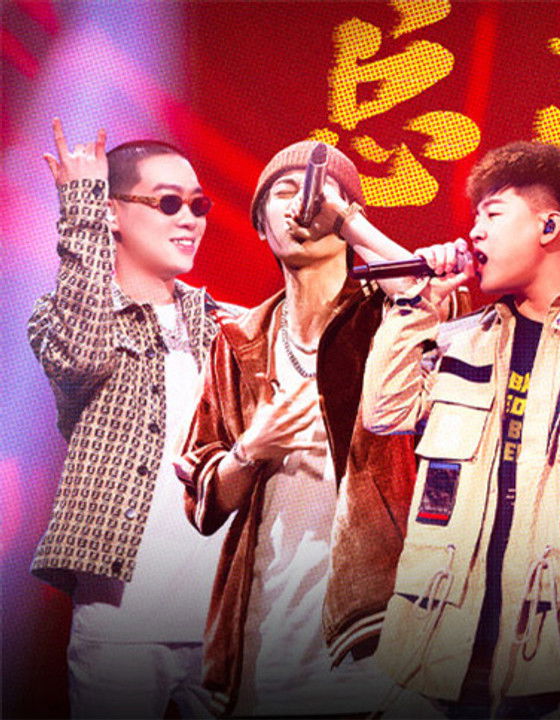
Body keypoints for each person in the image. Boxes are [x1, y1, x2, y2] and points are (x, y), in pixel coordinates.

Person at [361, 141, 560, 718]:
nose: (474, 233)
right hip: (440, 645)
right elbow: (384, 412)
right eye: (475, 218)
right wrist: (418, 302)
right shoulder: (458, 339)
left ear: (549, 226)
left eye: (492, 214)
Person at [177, 140, 433, 716]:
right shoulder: (238, 339)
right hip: (266, 619)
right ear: (260, 226)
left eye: (322, 195)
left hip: (375, 617)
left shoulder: (391, 315)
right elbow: (202, 500)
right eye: (284, 193)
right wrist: (250, 450)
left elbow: (435, 298)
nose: (303, 206)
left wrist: (350, 221)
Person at [27, 118, 234, 718]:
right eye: (168, 202)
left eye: (198, 205)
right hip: (122, 623)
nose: (189, 219)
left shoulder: (224, 324)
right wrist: (81, 209)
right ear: (112, 213)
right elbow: (81, 356)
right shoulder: (62, 319)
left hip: (223, 622)